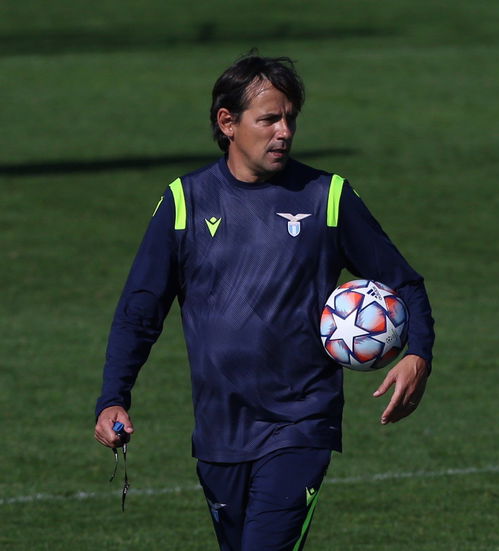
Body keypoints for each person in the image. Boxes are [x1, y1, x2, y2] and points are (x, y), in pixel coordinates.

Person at [93, 54, 435, 551]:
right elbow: (140, 311)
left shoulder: (326, 197)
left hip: (300, 425)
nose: (285, 132)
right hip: (219, 434)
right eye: (269, 119)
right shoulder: (185, 202)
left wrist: (418, 353)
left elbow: (405, 282)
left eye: (290, 118)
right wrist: (113, 396)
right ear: (227, 123)